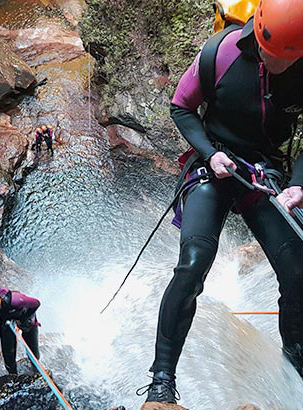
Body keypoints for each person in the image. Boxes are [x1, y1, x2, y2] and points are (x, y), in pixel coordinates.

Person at [139, 0, 303, 404]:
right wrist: (209, 153)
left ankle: (294, 363)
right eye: (270, 55)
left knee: (298, 271)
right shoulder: (222, 52)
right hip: (213, 165)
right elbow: (181, 106)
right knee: (193, 264)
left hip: (262, 173)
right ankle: (162, 380)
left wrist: (299, 184)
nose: (277, 65)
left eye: (287, 58)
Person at [0, 288, 41, 375]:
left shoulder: (17, 301)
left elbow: (36, 303)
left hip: (25, 316)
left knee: (33, 350)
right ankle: (12, 374)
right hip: (7, 318)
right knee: (8, 352)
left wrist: (23, 319)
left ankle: (36, 369)